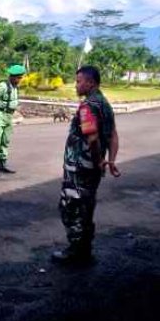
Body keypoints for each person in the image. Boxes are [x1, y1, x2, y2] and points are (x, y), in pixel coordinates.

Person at [52, 66, 120, 264]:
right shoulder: (105, 104)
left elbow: (92, 138)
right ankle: (85, 250)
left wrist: (98, 159)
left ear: (90, 83)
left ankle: (76, 252)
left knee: (71, 207)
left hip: (81, 168)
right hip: (94, 168)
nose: (76, 84)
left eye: (79, 81)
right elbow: (114, 135)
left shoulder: (88, 106)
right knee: (87, 206)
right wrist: (110, 160)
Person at [0, 64, 25, 176]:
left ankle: (2, 164)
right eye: (18, 77)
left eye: (20, 77)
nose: (19, 79)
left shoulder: (15, 87)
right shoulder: (2, 87)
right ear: (11, 76)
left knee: (5, 140)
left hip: (8, 115)